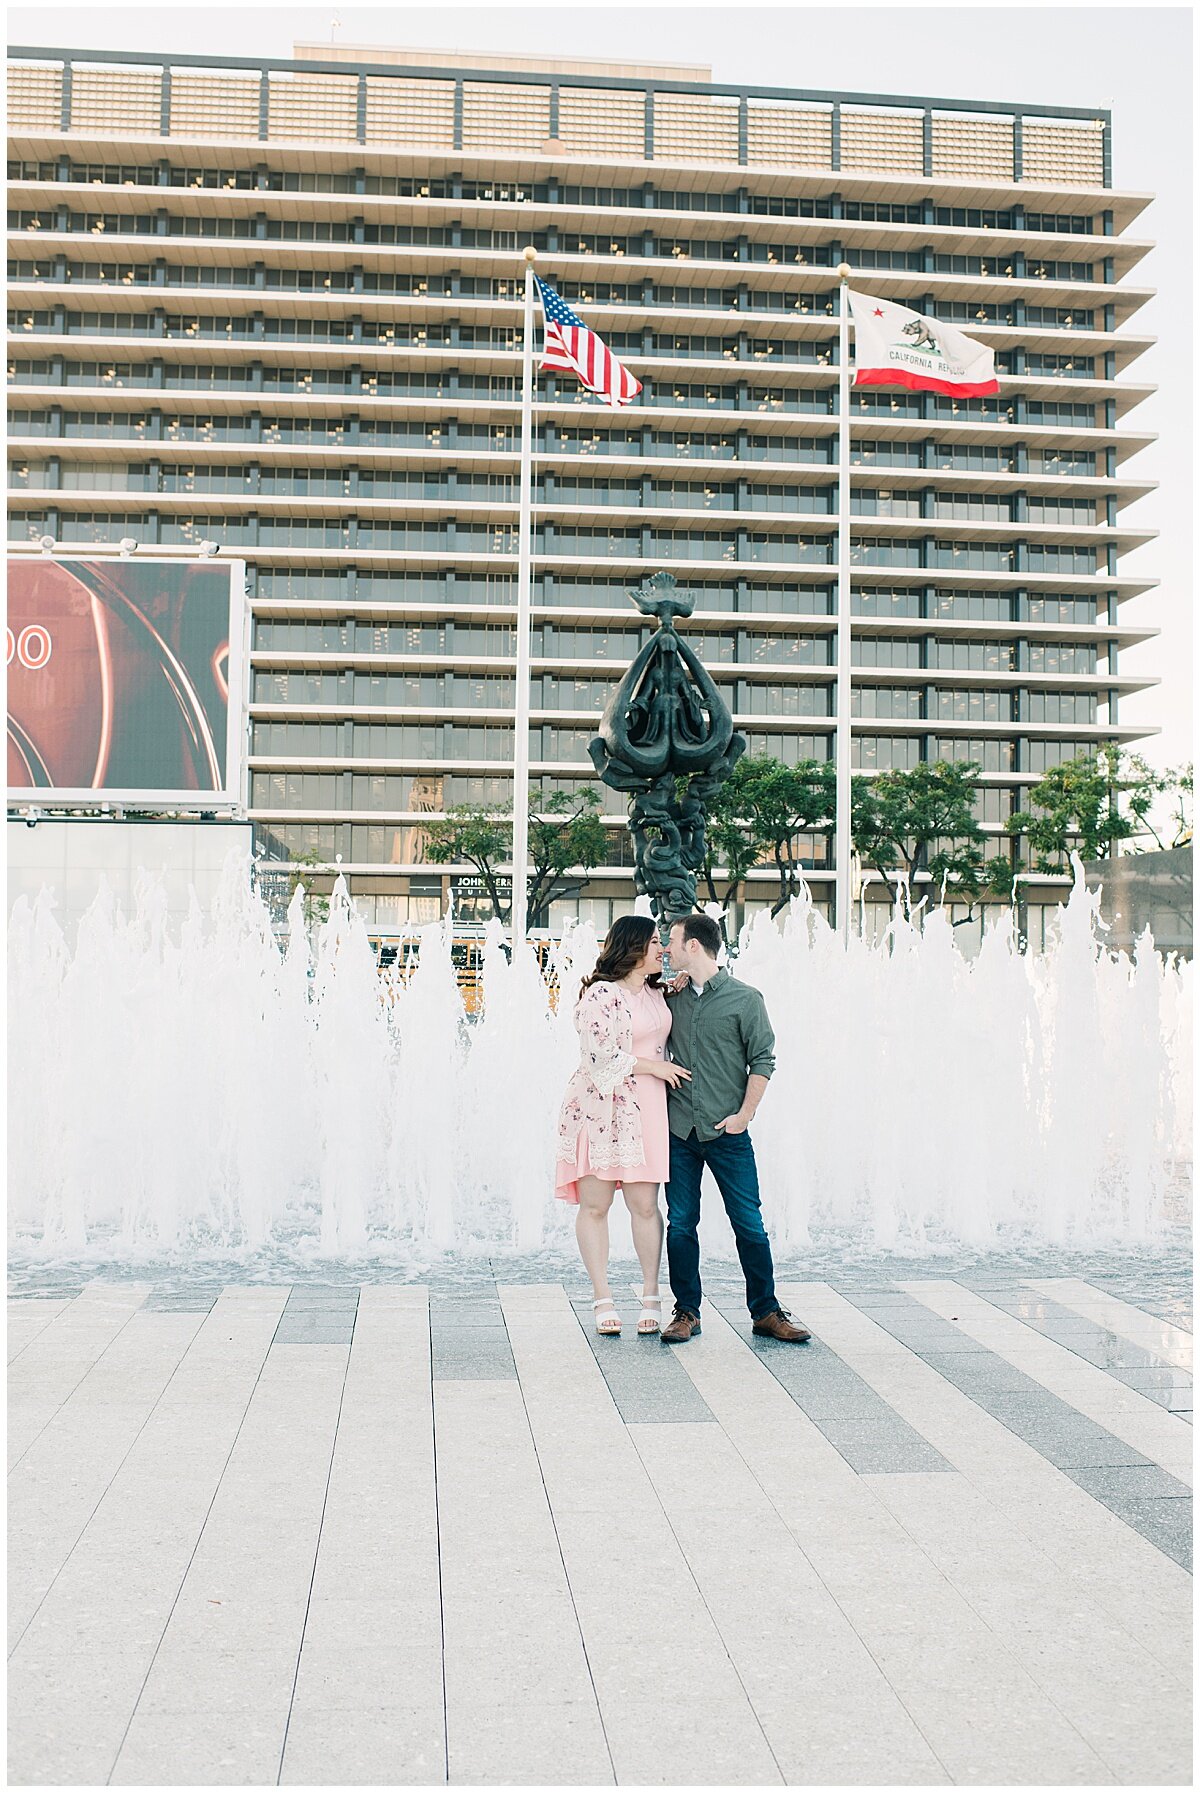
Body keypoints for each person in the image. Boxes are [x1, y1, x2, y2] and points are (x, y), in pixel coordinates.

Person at [659, 912, 809, 1345]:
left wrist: (745, 1115)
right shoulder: (671, 998)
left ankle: (765, 1311)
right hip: (680, 1132)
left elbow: (762, 1060)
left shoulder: (746, 999)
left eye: (672, 941)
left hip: (728, 1134)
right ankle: (686, 1311)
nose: (667, 949)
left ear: (693, 946)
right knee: (681, 1224)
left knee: (749, 1224)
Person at [554, 915, 692, 1336]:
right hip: (601, 1109)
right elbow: (597, 1057)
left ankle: (651, 1294)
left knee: (646, 1207)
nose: (661, 950)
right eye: (654, 942)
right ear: (632, 947)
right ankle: (602, 1297)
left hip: (647, 1109)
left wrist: (678, 985)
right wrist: (654, 1066)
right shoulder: (601, 994)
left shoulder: (656, 991)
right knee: (596, 1206)